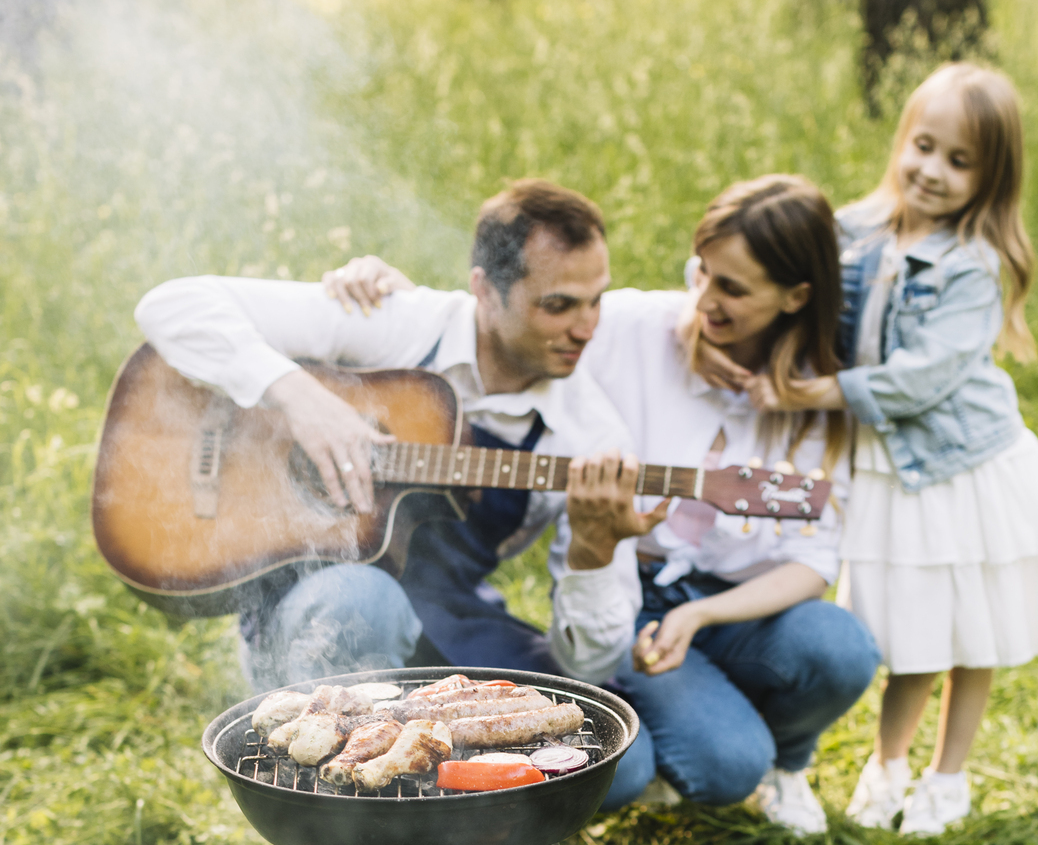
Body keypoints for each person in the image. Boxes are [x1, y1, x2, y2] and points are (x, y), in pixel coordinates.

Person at [338, 176, 881, 833]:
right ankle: (684, 732)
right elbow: (515, 320)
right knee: (723, 762)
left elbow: (815, 558)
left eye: (732, 289)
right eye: (701, 272)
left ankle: (777, 762)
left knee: (841, 646)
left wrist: (702, 615)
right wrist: (402, 303)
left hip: (732, 610)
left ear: (795, 298)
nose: (703, 299)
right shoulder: (629, 326)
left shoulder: (820, 403)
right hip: (633, 597)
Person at [133, 180, 658, 690]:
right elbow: (171, 305)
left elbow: (591, 666)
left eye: (596, 301)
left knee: (615, 753)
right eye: (559, 305)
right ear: (485, 292)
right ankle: (320, 761)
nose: (588, 328)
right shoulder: (399, 322)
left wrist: (595, 550)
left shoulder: (593, 438)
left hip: (448, 610)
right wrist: (302, 399)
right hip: (324, 601)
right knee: (363, 603)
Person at [761, 64, 1038, 837]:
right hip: (886, 466)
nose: (932, 171)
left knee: (973, 627)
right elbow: (781, 267)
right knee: (909, 625)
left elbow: (922, 379)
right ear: (901, 141)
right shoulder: (855, 228)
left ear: (991, 176)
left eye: (959, 160)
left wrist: (823, 394)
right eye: (923, 146)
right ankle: (889, 763)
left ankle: (950, 775)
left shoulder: (974, 266)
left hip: (961, 464)